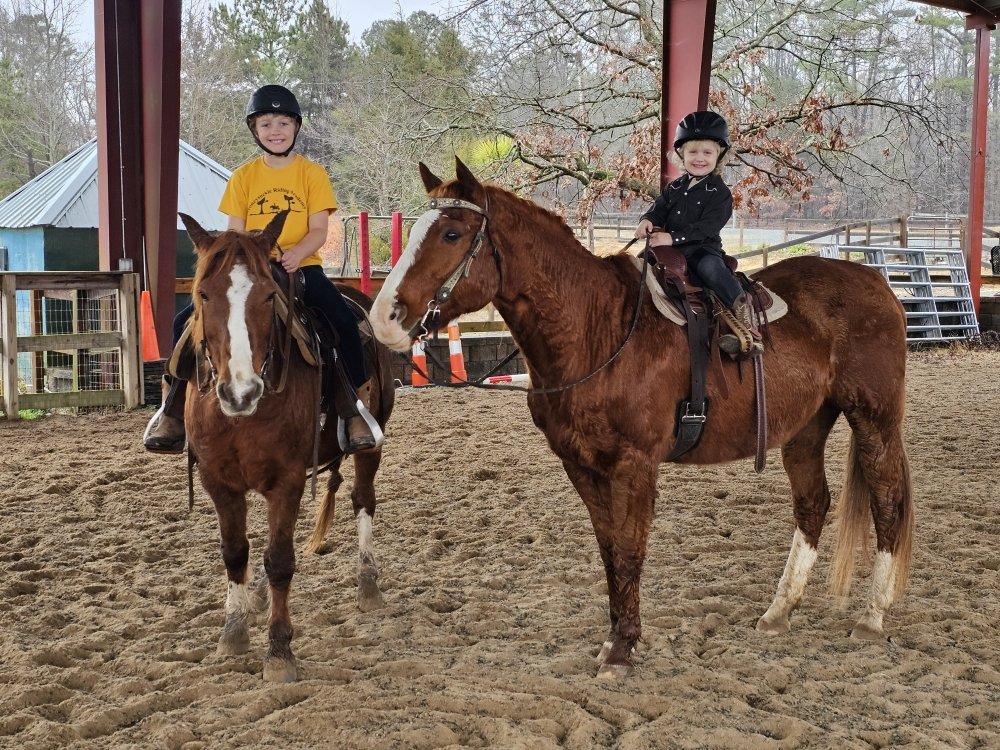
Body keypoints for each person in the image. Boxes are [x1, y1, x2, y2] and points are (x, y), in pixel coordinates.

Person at [144, 84, 378, 454]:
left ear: (296, 127)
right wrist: (244, 260)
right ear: (255, 130)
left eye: (283, 122)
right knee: (183, 322)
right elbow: (235, 233)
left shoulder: (311, 174)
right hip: (249, 269)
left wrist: (297, 254)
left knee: (344, 322)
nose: (276, 130)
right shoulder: (243, 177)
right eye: (266, 123)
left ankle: (354, 410)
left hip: (300, 266)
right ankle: (171, 408)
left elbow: (318, 230)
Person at [634, 110, 762, 356]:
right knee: (640, 264)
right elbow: (658, 209)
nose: (699, 158)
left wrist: (672, 237)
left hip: (702, 249)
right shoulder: (675, 187)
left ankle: (744, 314)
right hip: (670, 251)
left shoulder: (720, 193)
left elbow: (707, 228)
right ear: (682, 154)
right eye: (693, 152)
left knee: (710, 270)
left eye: (707, 152)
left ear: (719, 156)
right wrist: (647, 220)